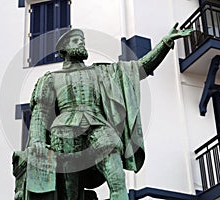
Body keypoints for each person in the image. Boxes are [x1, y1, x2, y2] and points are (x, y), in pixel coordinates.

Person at [26, 24, 192, 200]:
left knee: (117, 179)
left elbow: (140, 68)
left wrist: (165, 43)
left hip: (98, 126)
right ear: (63, 50)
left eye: (82, 41)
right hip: (64, 131)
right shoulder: (50, 79)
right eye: (76, 41)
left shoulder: (102, 72)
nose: (81, 43)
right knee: (70, 192)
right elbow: (40, 112)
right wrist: (37, 140)